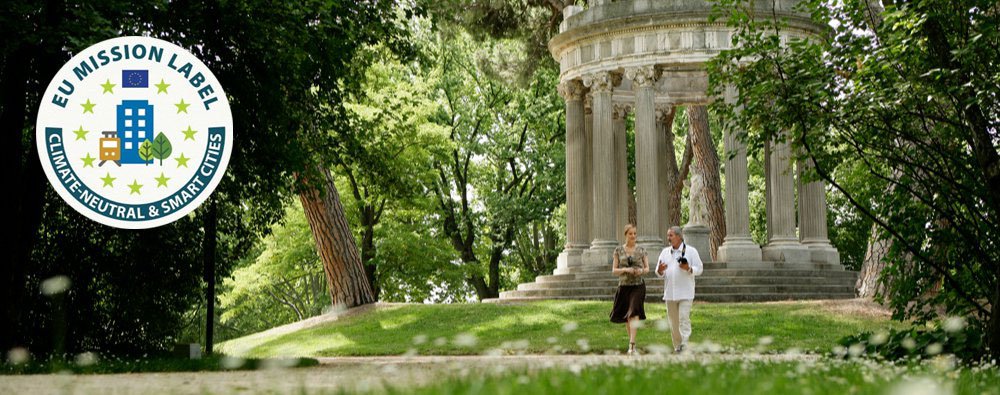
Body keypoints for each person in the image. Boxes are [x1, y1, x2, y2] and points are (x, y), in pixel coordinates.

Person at [655, 226, 703, 353]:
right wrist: (660, 270)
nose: (668, 238)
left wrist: (688, 268)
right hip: (670, 293)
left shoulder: (691, 251)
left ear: (679, 236)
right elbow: (658, 271)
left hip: (686, 292)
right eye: (668, 235)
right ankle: (677, 346)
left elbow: (700, 268)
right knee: (673, 323)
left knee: (683, 319)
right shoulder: (665, 252)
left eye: (670, 235)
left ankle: (685, 344)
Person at [609, 224, 648, 355]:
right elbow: (614, 270)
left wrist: (640, 271)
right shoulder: (618, 250)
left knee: (634, 312)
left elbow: (647, 269)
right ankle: (632, 343)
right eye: (630, 234)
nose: (633, 236)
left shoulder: (642, 250)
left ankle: (631, 344)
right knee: (627, 316)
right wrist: (625, 269)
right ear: (625, 235)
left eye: (635, 234)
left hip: (638, 285)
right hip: (624, 286)